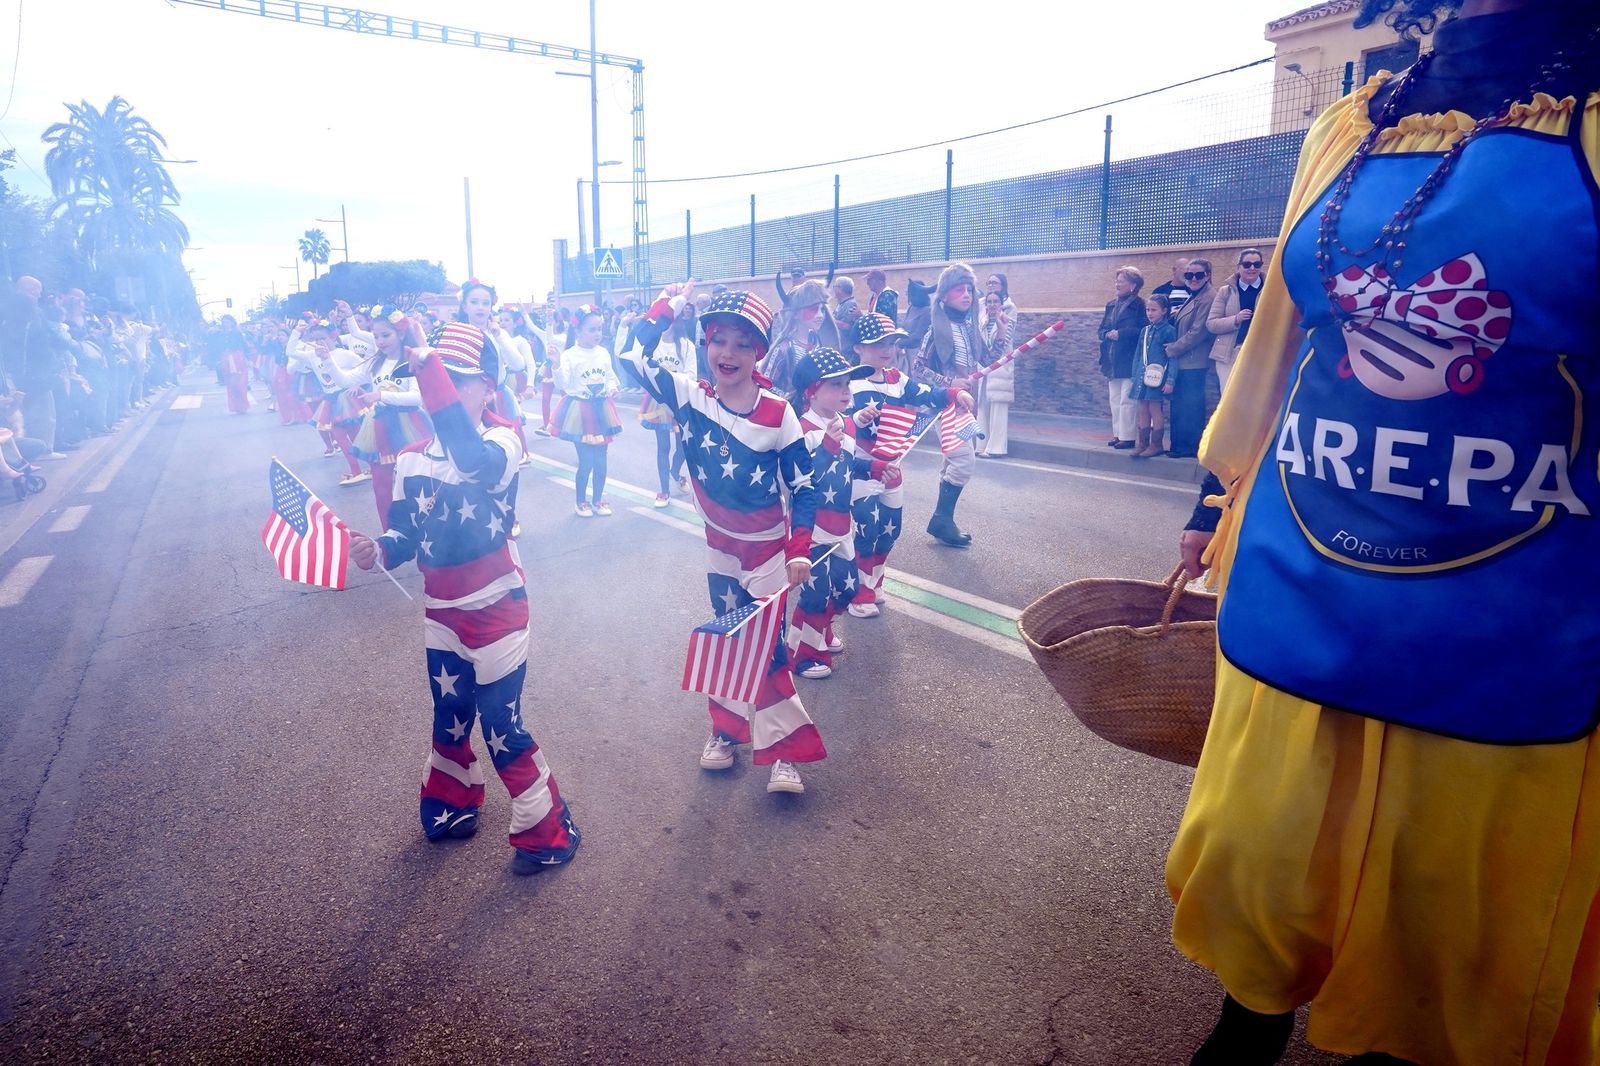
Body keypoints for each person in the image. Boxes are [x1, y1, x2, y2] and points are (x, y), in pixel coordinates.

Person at [1166, 2, 1600, 1062]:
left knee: (1444, 919)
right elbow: (1279, 332)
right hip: (1297, 579)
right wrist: (1213, 497)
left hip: (1507, 622)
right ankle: (1244, 1028)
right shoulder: (1345, 124)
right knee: (1261, 862)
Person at [349, 324, 579, 875]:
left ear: (488, 390)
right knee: (450, 715)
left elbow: (471, 460)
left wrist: (427, 363)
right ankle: (453, 803)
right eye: (437, 381)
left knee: (502, 723)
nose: (442, 392)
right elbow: (406, 535)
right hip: (442, 612)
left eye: (458, 381)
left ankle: (548, 828)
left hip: (498, 609)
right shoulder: (408, 459)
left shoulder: (503, 443)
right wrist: (376, 548)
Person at [622, 284, 824, 796]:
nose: (727, 353)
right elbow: (628, 354)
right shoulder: (689, 396)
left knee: (769, 648)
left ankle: (783, 755)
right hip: (719, 550)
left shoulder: (779, 414)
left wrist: (798, 551)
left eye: (741, 343)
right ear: (704, 343)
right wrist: (664, 307)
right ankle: (727, 732)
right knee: (732, 641)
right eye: (718, 341)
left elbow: (804, 488)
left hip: (767, 556)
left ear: (759, 353)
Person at [845, 312, 973, 617]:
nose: (887, 349)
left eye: (891, 342)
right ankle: (858, 593)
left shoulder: (896, 379)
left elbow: (927, 393)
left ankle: (875, 583)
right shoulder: (849, 381)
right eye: (877, 343)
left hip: (892, 467)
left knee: (890, 530)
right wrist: (853, 419)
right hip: (861, 467)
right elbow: (833, 420)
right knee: (866, 529)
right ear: (858, 348)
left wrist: (955, 392)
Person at [785, 347, 883, 679]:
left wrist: (875, 467)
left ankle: (808, 630)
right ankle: (807, 655)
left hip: (842, 524)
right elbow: (800, 478)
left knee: (846, 588)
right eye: (837, 385)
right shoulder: (800, 429)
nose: (846, 391)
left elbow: (850, 463)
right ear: (812, 390)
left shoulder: (842, 424)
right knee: (816, 591)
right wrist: (826, 448)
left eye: (847, 384)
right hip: (810, 527)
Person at [912, 263, 983, 547]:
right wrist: (949, 382)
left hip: (965, 409)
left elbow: (990, 356)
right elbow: (918, 368)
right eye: (959, 289)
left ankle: (943, 520)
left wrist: (1002, 328)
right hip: (946, 407)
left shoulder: (970, 328)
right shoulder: (934, 331)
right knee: (964, 460)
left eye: (969, 289)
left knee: (954, 460)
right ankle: (941, 518)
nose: (966, 295)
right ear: (944, 296)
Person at [349, 307, 431, 530]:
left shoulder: (410, 360)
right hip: (379, 426)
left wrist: (381, 395)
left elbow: (415, 398)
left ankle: (427, 527)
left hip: (410, 424)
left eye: (386, 335)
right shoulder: (373, 363)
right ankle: (391, 532)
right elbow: (342, 379)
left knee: (417, 479)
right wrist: (326, 360)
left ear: (401, 334)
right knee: (381, 483)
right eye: (376, 336)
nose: (380, 341)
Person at [553, 304, 622, 517]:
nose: (597, 334)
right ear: (578, 331)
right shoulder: (570, 355)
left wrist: (613, 389)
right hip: (580, 411)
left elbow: (610, 376)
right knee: (586, 461)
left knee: (601, 459)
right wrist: (555, 364)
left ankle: (598, 499)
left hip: (602, 408)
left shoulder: (603, 353)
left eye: (599, 329)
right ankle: (580, 501)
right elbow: (562, 384)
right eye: (592, 329)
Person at [1162, 258, 1215, 458]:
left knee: (1190, 406)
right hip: (1185, 360)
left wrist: (1174, 348)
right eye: (1189, 275)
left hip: (1194, 361)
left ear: (1208, 275)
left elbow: (1198, 332)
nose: (1193, 278)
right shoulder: (1193, 296)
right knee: (1181, 404)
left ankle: (1188, 447)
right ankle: (1179, 445)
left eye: (1198, 275)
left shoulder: (1208, 297)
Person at [762, 280, 838, 400]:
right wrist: (789, 398)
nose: (820, 315)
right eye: (813, 309)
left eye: (822, 309)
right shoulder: (784, 348)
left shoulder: (819, 344)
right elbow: (765, 384)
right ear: (796, 314)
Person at [1097, 266, 1146, 449]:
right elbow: (1101, 329)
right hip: (1111, 359)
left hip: (1129, 359)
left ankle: (1128, 437)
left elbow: (1143, 329)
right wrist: (1106, 334)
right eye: (1116, 280)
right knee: (1115, 399)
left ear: (1133, 285)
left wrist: (1122, 334)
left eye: (1121, 280)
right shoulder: (1110, 305)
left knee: (1127, 400)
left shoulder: (1139, 305)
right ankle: (1118, 434)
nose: (1117, 284)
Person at [1205, 248, 1265, 395]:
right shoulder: (1225, 291)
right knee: (1229, 398)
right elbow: (1211, 324)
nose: (1252, 268)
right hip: (1230, 354)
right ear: (1238, 267)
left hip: (1260, 354)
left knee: (1256, 398)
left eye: (1257, 264)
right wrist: (1236, 319)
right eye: (1247, 264)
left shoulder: (1270, 290)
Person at [1127, 295, 1176, 459]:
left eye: (1154, 310)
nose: (1150, 313)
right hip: (1142, 376)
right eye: (1148, 309)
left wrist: (1170, 380)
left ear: (1164, 311)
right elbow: (1138, 355)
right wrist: (1135, 375)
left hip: (1157, 377)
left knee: (1155, 409)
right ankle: (1142, 443)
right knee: (1142, 409)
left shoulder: (1169, 331)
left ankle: (1156, 444)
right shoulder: (1145, 330)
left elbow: (1173, 357)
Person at [976, 291, 1014, 459]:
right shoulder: (982, 321)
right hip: (983, 369)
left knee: (998, 409)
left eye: (995, 301)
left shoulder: (1008, 320)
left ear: (1001, 304)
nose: (992, 304)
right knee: (982, 406)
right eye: (989, 301)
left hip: (1000, 370)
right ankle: (981, 445)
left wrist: (1000, 325)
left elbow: (1004, 344)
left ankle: (996, 448)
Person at [212, 315, 252, 415]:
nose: (225, 324)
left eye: (227, 322)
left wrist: (248, 357)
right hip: (225, 358)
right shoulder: (220, 334)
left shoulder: (237, 333)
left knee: (239, 382)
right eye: (223, 322)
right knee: (230, 383)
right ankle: (236, 406)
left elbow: (243, 345)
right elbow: (217, 347)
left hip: (237, 357)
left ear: (232, 322)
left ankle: (243, 405)